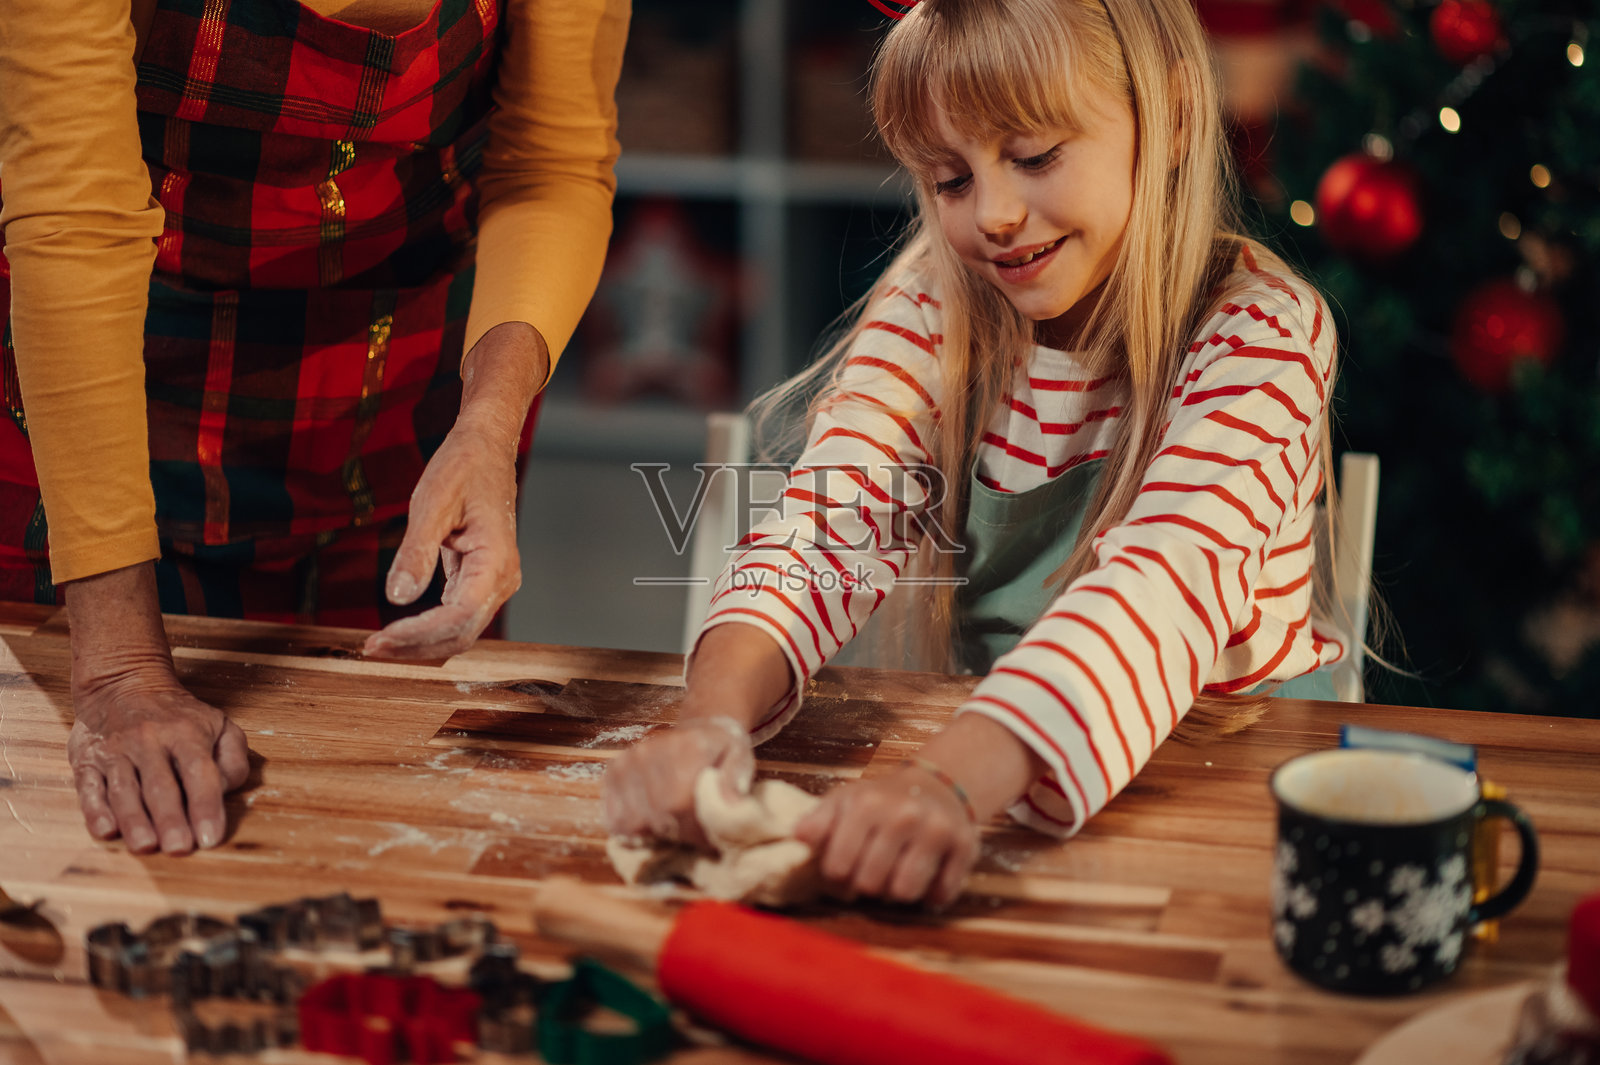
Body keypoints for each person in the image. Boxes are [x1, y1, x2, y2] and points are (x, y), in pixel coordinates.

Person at [605, 0, 1348, 908]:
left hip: (1223, 811)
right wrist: (708, 719)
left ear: (1176, 115)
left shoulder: (1261, 335)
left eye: (1035, 156)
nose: (994, 215)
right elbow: (824, 533)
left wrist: (945, 783)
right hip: (1003, 780)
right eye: (951, 179)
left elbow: (1157, 589)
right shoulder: (933, 307)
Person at [0, 0, 628, 854]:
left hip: (407, 386)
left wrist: (487, 420)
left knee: (396, 824)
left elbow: (551, 161)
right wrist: (119, 669)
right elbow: (77, 221)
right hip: (96, 397)